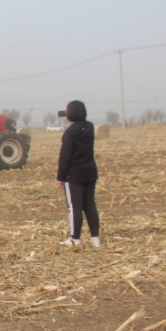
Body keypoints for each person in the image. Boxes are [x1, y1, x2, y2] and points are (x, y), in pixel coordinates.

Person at [56, 100, 101, 247]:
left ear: (69, 114)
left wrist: (60, 177)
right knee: (89, 204)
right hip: (90, 172)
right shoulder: (90, 127)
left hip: (74, 175)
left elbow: (65, 157)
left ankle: (75, 239)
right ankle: (95, 238)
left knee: (75, 207)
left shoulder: (70, 132)